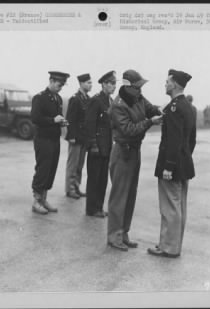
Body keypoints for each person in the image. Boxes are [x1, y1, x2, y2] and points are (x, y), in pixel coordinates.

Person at [107, 70, 163, 251]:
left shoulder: (137, 98)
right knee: (119, 196)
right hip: (122, 153)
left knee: (130, 195)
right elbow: (128, 129)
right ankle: (114, 236)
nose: (140, 89)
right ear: (127, 86)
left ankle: (123, 233)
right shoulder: (118, 105)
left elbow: (149, 107)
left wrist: (158, 110)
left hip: (133, 153)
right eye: (138, 86)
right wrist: (150, 122)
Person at [148, 69, 196, 258]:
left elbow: (174, 140)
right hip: (183, 164)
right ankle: (172, 244)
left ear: (175, 84)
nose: (165, 84)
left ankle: (169, 247)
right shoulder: (188, 106)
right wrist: (183, 159)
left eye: (167, 81)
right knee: (179, 206)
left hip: (172, 165)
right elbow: (191, 140)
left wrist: (169, 165)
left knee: (170, 207)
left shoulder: (174, 108)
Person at [31, 71, 70, 215]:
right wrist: (52, 120)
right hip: (43, 139)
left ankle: (44, 199)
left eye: (62, 86)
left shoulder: (58, 99)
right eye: (59, 85)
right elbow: (35, 118)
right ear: (51, 81)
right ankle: (36, 201)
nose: (60, 88)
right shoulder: (39, 98)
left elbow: (55, 117)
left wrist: (61, 122)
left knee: (51, 169)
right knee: (42, 168)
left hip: (54, 139)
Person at [85, 71, 116, 218]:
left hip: (106, 147)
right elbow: (90, 124)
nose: (114, 86)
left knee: (102, 178)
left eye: (115, 83)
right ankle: (91, 209)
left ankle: (98, 207)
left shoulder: (110, 101)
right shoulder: (96, 100)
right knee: (94, 178)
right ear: (104, 84)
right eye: (111, 83)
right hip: (97, 147)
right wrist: (93, 145)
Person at [64, 74, 92, 199]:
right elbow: (70, 119)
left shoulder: (87, 99)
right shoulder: (75, 99)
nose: (90, 85)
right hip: (75, 137)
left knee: (80, 165)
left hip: (84, 137)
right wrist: (71, 136)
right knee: (73, 164)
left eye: (91, 83)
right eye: (88, 83)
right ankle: (69, 189)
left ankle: (76, 186)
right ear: (81, 84)